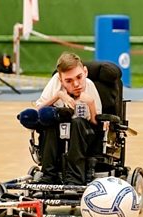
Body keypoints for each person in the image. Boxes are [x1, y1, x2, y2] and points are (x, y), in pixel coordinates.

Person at [34, 52, 102, 185]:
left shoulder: (89, 86)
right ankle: (48, 176)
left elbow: (96, 123)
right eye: (69, 81)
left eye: (79, 77)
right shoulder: (55, 82)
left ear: (85, 72)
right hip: (59, 133)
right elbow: (38, 111)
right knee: (50, 122)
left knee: (77, 123)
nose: (76, 84)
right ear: (60, 79)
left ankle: (75, 179)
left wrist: (91, 104)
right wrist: (58, 95)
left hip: (84, 133)